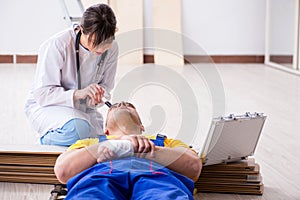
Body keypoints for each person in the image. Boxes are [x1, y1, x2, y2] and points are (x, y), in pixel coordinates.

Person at [54, 102, 202, 200]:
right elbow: (63, 171)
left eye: (129, 106)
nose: (122, 104)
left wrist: (138, 149)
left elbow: (193, 167)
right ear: (105, 130)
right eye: (115, 107)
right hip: (99, 179)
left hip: (158, 180)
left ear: (142, 126)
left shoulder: (166, 142)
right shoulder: (89, 143)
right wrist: (113, 144)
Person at [24, 4, 118, 146]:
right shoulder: (57, 45)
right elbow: (43, 94)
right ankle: (45, 141)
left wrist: (95, 99)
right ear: (81, 29)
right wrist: (78, 94)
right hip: (47, 106)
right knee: (78, 131)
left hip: (82, 109)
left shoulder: (112, 48)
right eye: (94, 42)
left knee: (100, 141)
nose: (100, 48)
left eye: (106, 43)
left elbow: (106, 86)